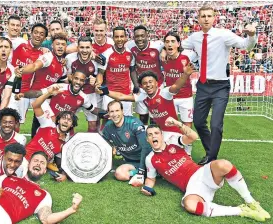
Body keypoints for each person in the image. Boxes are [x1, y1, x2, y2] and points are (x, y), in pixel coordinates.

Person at [141, 116, 270, 222]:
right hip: (192, 187)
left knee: (223, 164)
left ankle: (251, 202)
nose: (154, 136)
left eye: (156, 133)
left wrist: (177, 123)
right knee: (190, 205)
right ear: (147, 140)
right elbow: (150, 179)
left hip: (202, 172)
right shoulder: (150, 159)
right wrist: (147, 188)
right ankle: (241, 210)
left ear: (162, 135)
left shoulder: (174, 142)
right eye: (150, 135)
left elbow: (193, 136)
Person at [180, 4, 257, 165]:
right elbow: (180, 46)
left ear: (214, 18)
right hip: (202, 86)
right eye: (203, 16)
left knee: (216, 124)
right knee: (199, 122)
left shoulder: (224, 35)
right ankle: (211, 152)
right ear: (198, 19)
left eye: (209, 16)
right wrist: (166, 50)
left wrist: (251, 36)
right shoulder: (194, 37)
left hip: (220, 86)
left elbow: (245, 45)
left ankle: (211, 157)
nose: (206, 19)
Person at [97, 68, 194, 154]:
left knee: (172, 156)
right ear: (142, 86)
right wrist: (106, 92)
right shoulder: (144, 96)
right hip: (159, 133)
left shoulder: (164, 93)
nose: (148, 85)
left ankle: (187, 153)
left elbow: (176, 86)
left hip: (174, 132)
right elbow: (122, 97)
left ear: (156, 83)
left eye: (150, 82)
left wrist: (185, 74)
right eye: (145, 83)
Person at [15, 32, 68, 137]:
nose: (60, 47)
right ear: (52, 45)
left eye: (63, 44)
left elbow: (65, 82)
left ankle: (38, 144)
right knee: (16, 121)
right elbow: (35, 66)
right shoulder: (48, 57)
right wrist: (22, 70)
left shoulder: (63, 67)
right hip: (31, 93)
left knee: (46, 122)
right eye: (58, 44)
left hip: (43, 96)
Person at [161, 32, 198, 155]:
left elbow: (201, 51)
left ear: (178, 44)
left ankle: (187, 153)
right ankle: (170, 151)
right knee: (169, 125)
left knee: (186, 125)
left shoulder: (186, 57)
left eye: (173, 41)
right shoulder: (163, 58)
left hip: (185, 97)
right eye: (167, 42)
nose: (170, 44)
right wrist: (162, 50)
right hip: (170, 97)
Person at [102, 100, 152, 187]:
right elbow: (102, 145)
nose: (115, 114)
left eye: (117, 110)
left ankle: (149, 170)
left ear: (122, 111)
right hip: (130, 162)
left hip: (146, 159)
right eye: (112, 111)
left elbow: (146, 147)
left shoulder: (133, 123)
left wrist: (141, 170)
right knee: (120, 174)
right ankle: (149, 172)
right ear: (109, 114)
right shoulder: (108, 127)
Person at [97, 26, 138, 128]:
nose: (119, 39)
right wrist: (98, 85)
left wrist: (136, 85)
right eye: (117, 37)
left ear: (125, 38)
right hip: (109, 93)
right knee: (107, 120)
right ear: (113, 38)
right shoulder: (106, 54)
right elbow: (100, 73)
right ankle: (105, 142)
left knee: (126, 122)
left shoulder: (130, 53)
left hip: (126, 93)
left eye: (121, 36)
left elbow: (132, 70)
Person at [7, 23, 48, 125]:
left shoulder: (44, 55)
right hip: (10, 88)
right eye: (36, 32)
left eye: (41, 34)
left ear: (45, 38)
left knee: (17, 123)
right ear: (31, 33)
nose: (38, 35)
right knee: (7, 119)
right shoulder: (20, 44)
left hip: (24, 93)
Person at [126, 25, 164, 125]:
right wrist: (136, 84)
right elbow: (132, 68)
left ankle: (155, 139)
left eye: (142, 36)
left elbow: (173, 46)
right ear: (133, 37)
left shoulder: (158, 45)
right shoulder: (130, 46)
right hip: (142, 87)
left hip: (157, 86)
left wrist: (164, 50)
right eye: (137, 36)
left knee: (155, 118)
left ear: (147, 35)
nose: (140, 39)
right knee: (143, 117)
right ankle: (143, 139)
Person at [66, 36, 101, 132]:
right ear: (77, 48)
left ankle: (89, 145)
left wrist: (95, 81)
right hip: (74, 93)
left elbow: (99, 76)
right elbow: (68, 75)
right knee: (68, 121)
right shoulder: (70, 59)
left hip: (90, 93)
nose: (84, 50)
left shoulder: (96, 61)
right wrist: (77, 80)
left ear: (91, 48)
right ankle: (69, 144)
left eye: (87, 47)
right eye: (82, 47)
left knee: (93, 124)